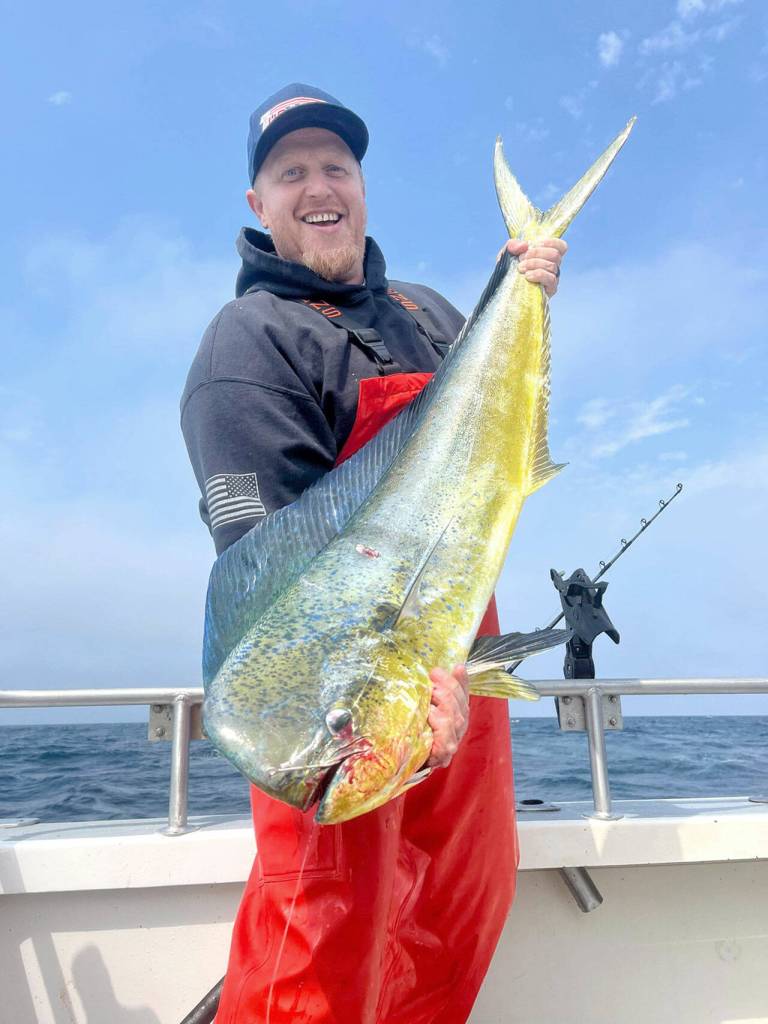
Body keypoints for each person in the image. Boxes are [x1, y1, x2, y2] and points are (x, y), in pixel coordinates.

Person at [181, 83, 566, 1024]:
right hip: (336, 699)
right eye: (292, 171)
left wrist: (525, 291)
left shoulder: (427, 309)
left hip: (449, 658)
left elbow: (498, 429)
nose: (320, 185)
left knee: (457, 915)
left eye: (336, 167)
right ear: (259, 206)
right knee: (323, 955)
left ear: (361, 186)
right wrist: (386, 706)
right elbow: (277, 590)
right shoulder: (248, 343)